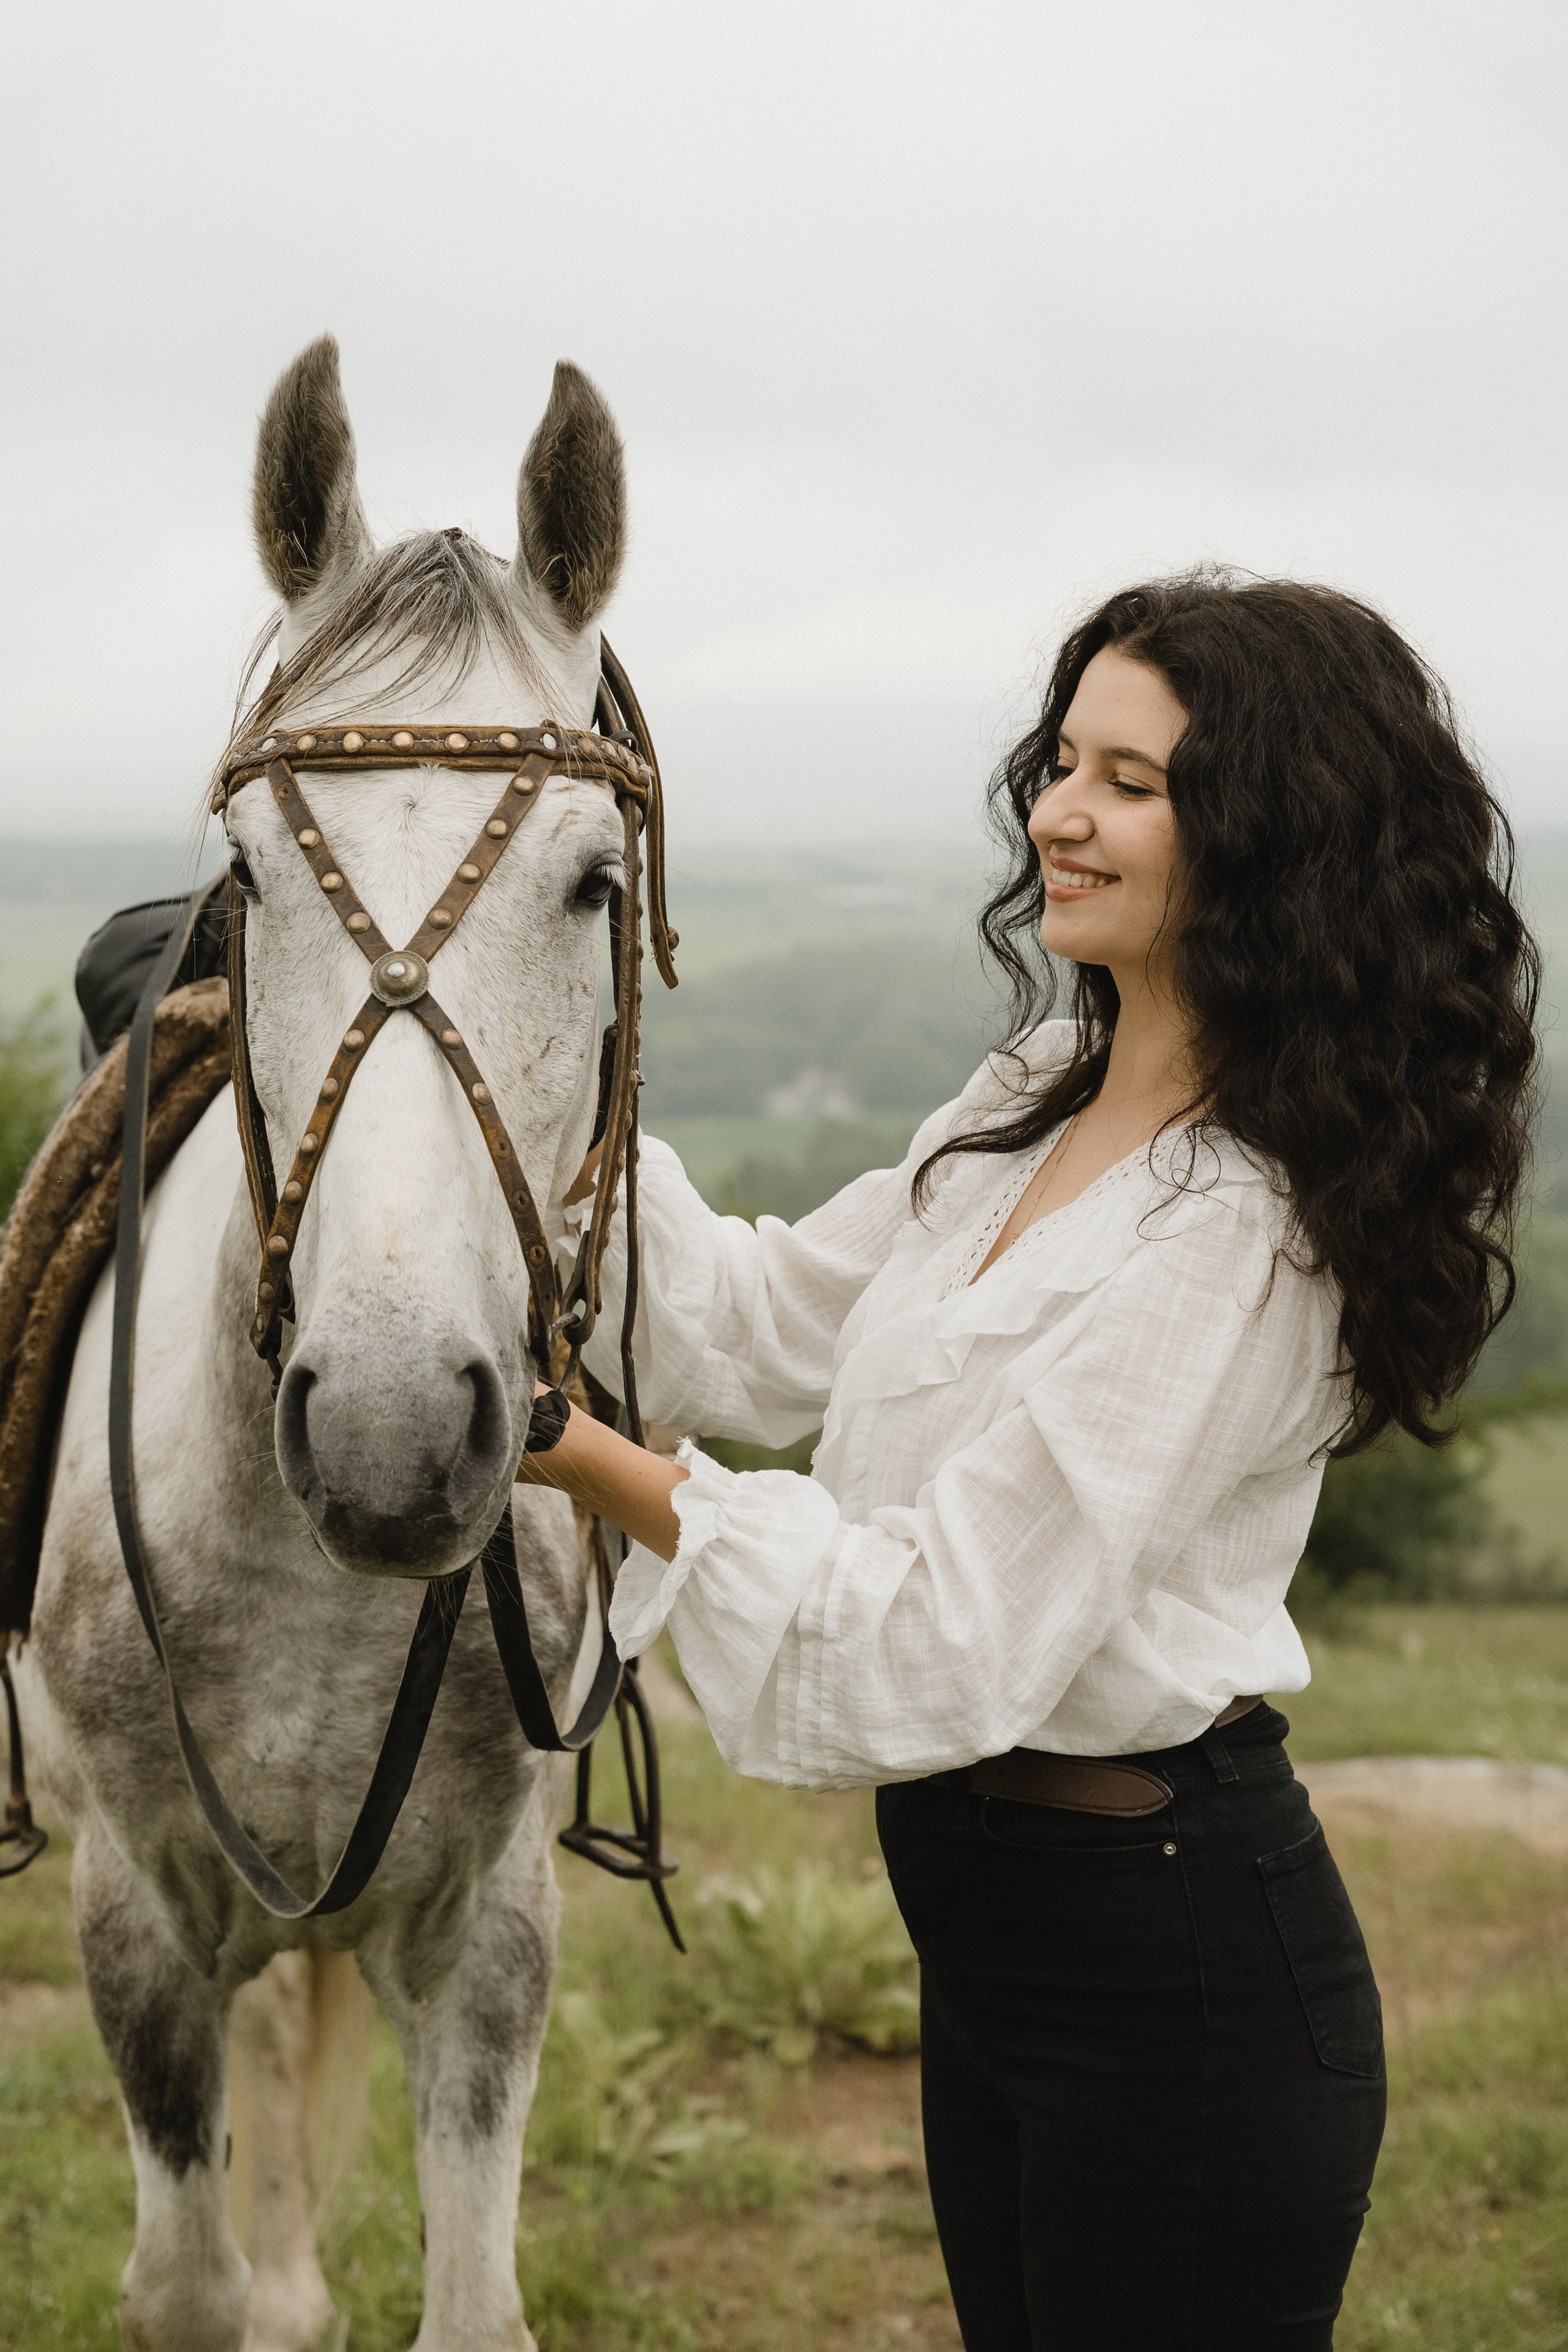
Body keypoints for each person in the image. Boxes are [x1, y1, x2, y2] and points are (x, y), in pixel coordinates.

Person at [519, 573, 1538, 2350]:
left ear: (1274, 834)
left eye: (1131, 781)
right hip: (1002, 1945)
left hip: (1175, 1984)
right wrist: (522, 1106)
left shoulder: (1246, 1230)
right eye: (1064, 761)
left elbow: (942, 1635)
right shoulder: (1031, 1097)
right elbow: (761, 1313)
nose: (1057, 812)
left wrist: (592, 1461)